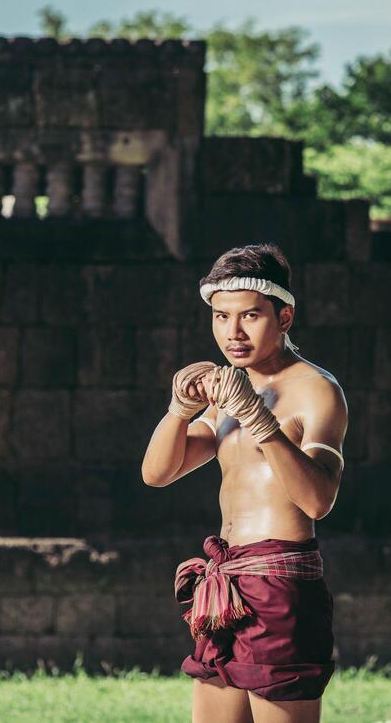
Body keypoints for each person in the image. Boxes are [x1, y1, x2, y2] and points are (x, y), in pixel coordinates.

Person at [141, 243, 348, 723]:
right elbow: (157, 474)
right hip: (224, 585)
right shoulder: (227, 388)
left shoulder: (317, 389)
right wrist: (178, 410)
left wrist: (258, 419)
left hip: (281, 583)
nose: (232, 332)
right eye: (220, 316)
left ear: (285, 317)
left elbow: (318, 500)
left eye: (250, 316)